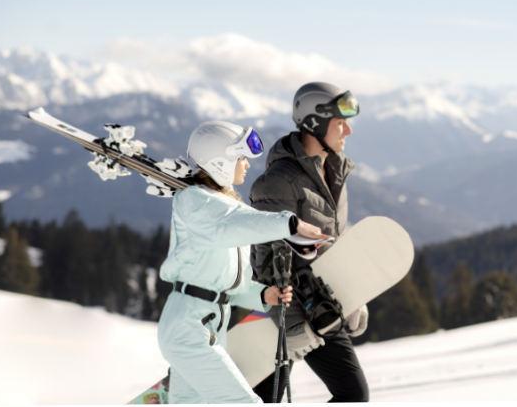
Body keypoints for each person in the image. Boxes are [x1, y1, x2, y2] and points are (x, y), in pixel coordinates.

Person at [156, 120, 329, 405]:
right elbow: (239, 224)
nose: (248, 165)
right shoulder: (194, 203)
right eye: (241, 158)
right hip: (188, 327)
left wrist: (262, 294)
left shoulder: (223, 207)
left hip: (209, 325)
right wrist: (290, 224)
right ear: (220, 161)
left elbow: (225, 283)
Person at [250, 82, 370, 404]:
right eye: (340, 122)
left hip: (323, 306)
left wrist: (351, 297)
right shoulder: (279, 182)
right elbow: (265, 259)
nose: (349, 131)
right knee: (267, 399)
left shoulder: (333, 169)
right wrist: (291, 329)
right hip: (291, 310)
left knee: (352, 395)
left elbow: (334, 245)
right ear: (314, 123)